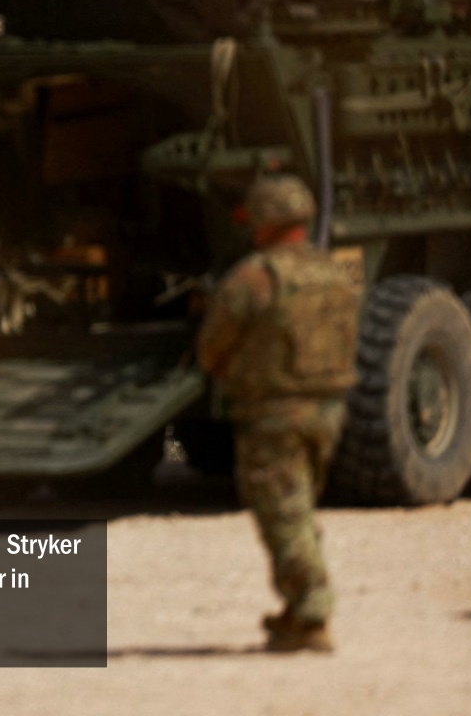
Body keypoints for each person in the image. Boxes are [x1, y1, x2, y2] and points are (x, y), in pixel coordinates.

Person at [196, 176, 359, 653]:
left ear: (263, 222)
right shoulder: (335, 272)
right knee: (297, 510)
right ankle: (296, 607)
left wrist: (232, 372)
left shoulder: (255, 277)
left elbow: (212, 346)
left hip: (273, 415)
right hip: (329, 409)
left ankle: (311, 612)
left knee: (282, 514)